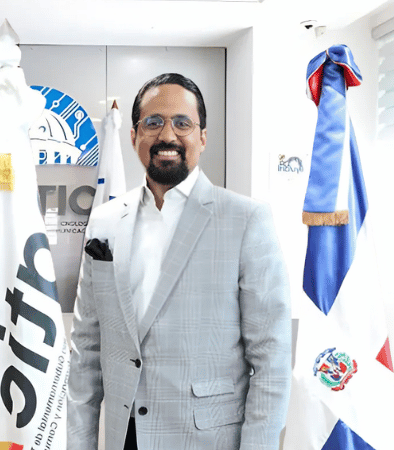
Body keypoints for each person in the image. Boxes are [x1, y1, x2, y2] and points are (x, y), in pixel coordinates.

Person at [67, 73, 291, 450]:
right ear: (134, 136)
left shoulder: (246, 219)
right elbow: (85, 351)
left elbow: (271, 359)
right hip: (126, 438)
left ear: (202, 137)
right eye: (153, 122)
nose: (167, 135)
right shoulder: (104, 221)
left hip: (208, 440)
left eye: (182, 123)